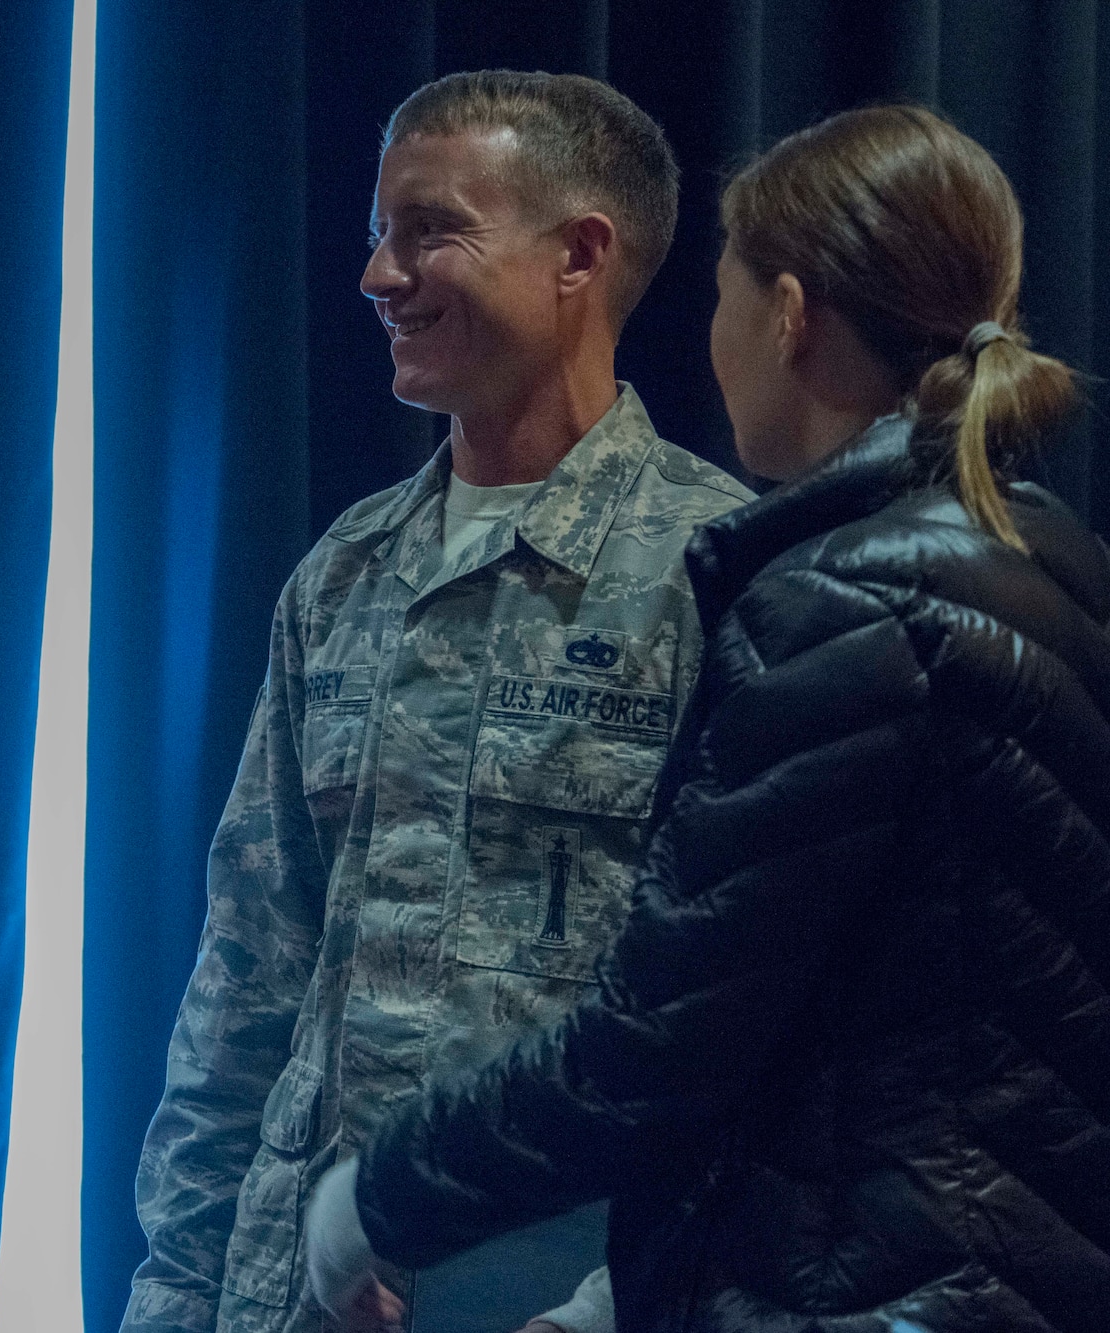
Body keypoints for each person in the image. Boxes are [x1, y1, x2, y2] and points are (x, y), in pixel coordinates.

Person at [304, 104, 1110, 1332]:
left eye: (723, 300)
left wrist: (378, 1197)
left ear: (786, 315)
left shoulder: (849, 605)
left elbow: (661, 1037)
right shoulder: (1039, 560)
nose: (712, 341)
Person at [122, 72, 753, 1333]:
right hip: (289, 1292)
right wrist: (174, 1295)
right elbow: (246, 980)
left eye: (427, 232)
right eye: (375, 233)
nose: (375, 275)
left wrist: (614, 1306)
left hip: (553, 1291)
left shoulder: (720, 573)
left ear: (578, 254)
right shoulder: (345, 572)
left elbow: (749, 1016)